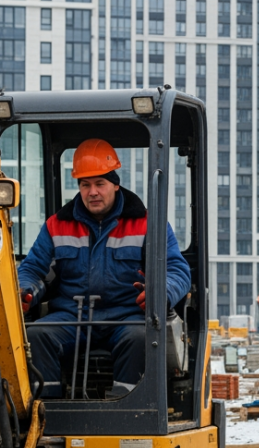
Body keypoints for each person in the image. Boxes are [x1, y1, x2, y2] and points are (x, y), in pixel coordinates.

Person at [17, 139, 191, 399]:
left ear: (115, 184)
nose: (92, 192)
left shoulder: (147, 224)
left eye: (100, 183)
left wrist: (160, 292)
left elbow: (177, 270)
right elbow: (33, 268)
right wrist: (24, 290)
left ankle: (125, 410)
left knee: (141, 337)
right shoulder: (57, 225)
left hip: (126, 317)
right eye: (85, 185)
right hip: (71, 318)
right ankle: (47, 411)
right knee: (37, 335)